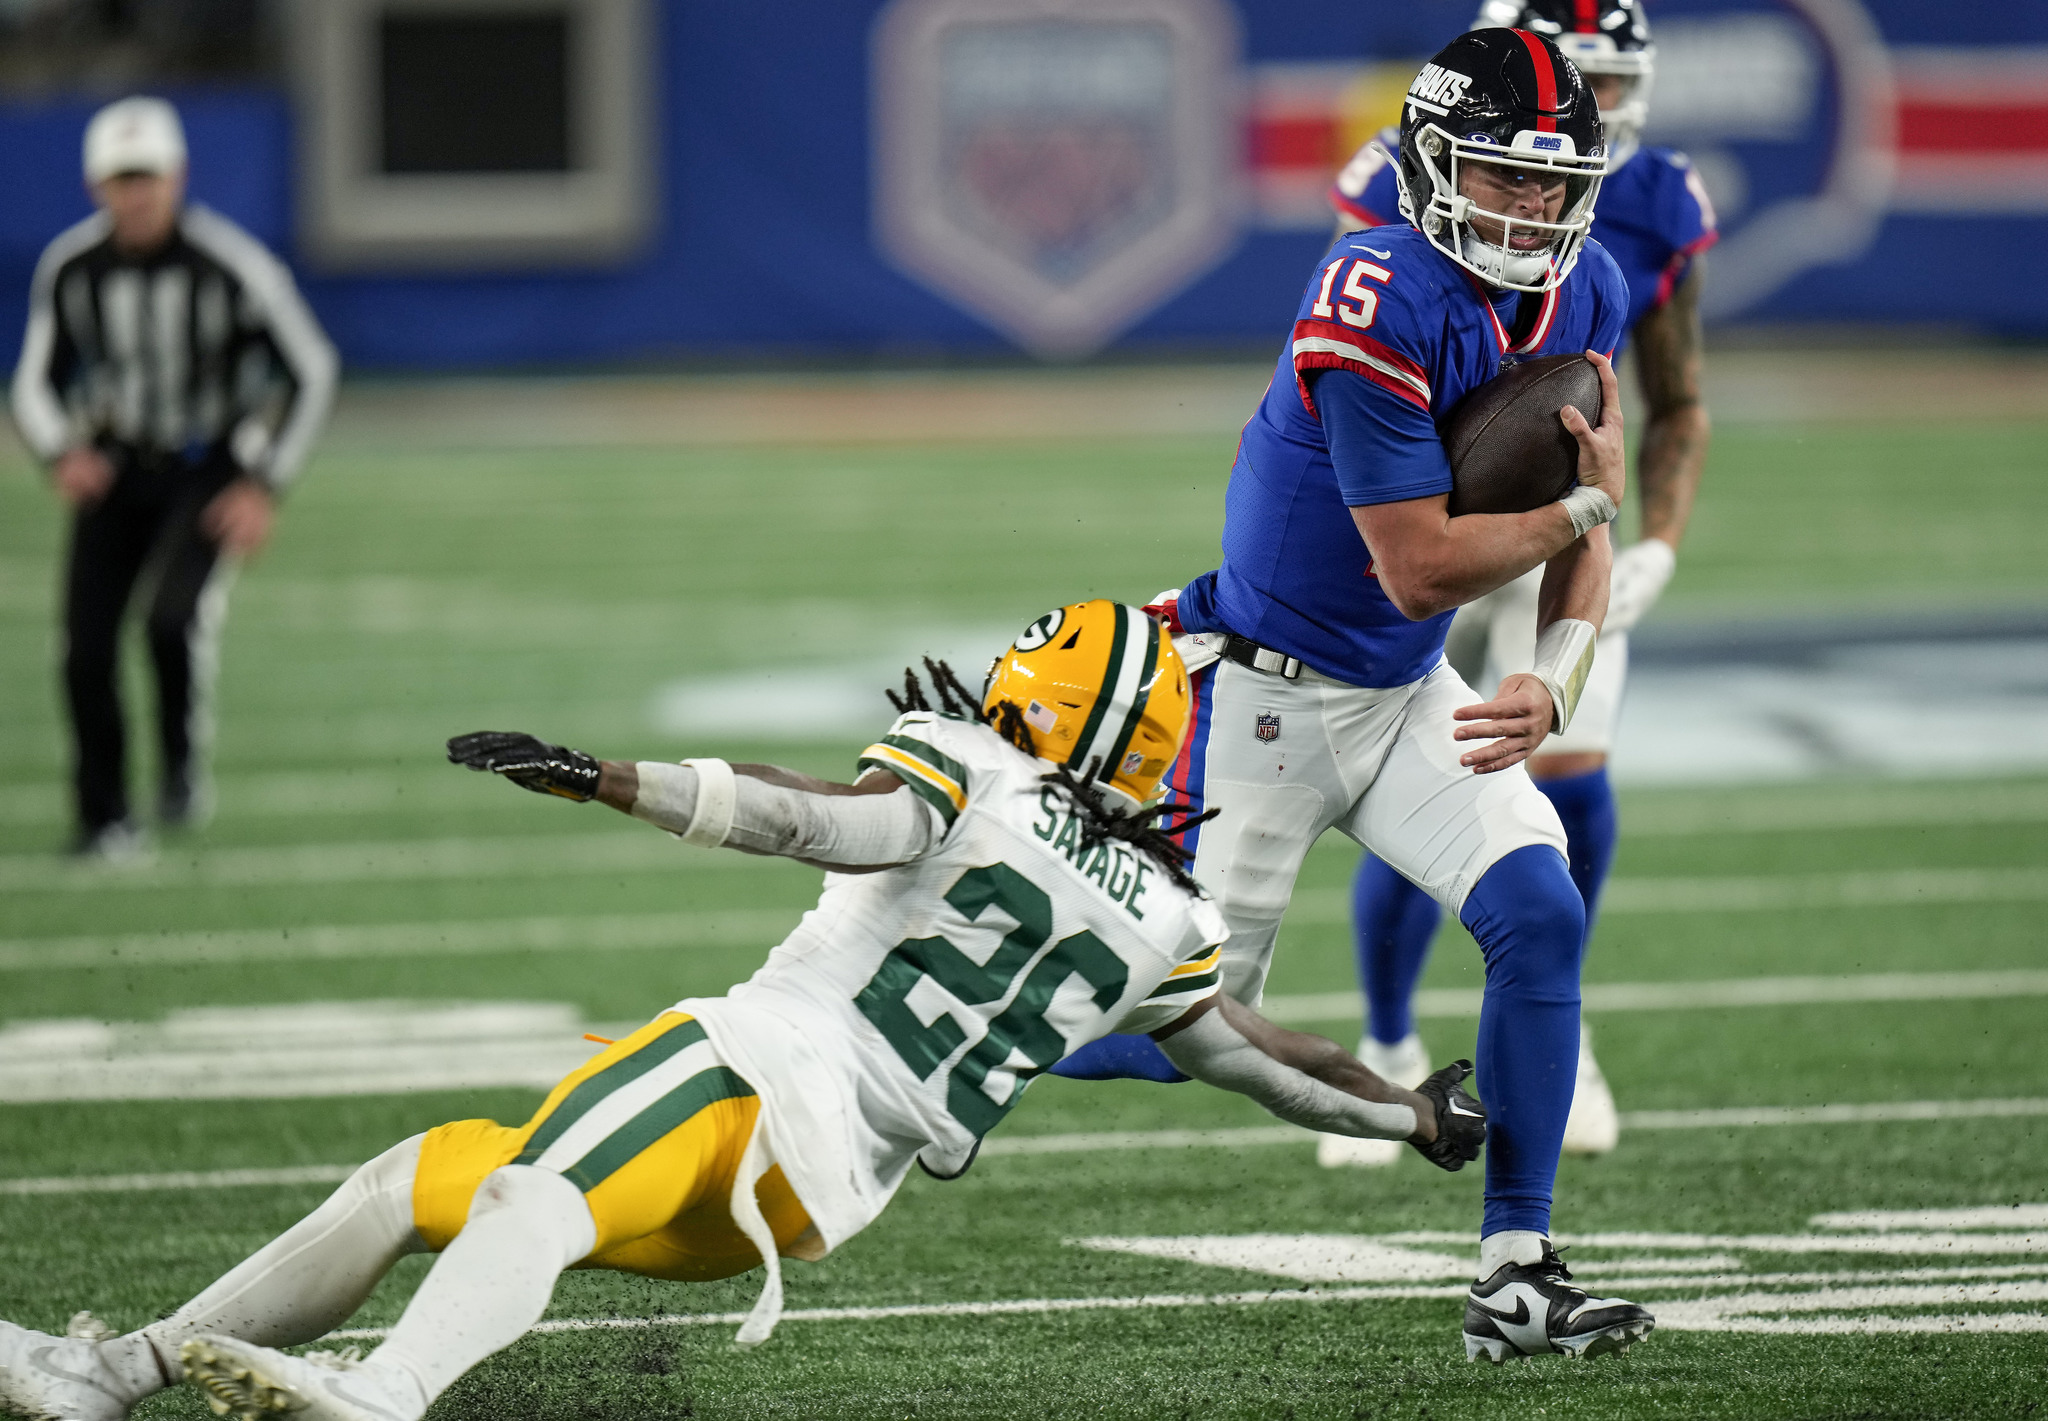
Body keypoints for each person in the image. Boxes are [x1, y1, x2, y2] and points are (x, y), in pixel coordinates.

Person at [0, 601, 1489, 1421]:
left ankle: (386, 1392)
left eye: (1019, 685)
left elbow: (810, 824)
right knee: (428, 1176)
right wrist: (1424, 1114)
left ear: (1057, 715)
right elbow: (1271, 1062)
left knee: (521, 1187)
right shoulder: (1171, 924)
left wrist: (610, 779)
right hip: (814, 1197)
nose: (992, 689)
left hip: (759, 1072)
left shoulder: (970, 776)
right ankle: (114, 1372)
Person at [1049, 28, 1658, 1361]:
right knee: (1178, 1026)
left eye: (1555, 184)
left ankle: (1517, 1268)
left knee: (1539, 917)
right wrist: (1582, 511)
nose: (1535, 208)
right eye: (1504, 178)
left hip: (1399, 695)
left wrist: (1554, 679)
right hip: (1259, 704)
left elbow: (1583, 524)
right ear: (1435, 166)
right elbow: (1418, 564)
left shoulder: (1588, 288)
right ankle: (955, 1036)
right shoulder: (1372, 288)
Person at [1325, 0, 1715, 1167]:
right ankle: (1384, 1037)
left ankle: (1562, 1018)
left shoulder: (1642, 210)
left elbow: (1671, 392)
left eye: (1603, 84)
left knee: (1571, 774)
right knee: (1409, 787)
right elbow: (1369, 360)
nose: (1549, 168)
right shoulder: (1393, 193)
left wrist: (1651, 537)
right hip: (1434, 519)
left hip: (1564, 527)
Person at [10, 95, 338, 858]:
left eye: (149, 176)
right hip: (119, 467)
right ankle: (104, 818)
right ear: (98, 186)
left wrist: (266, 483)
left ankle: (180, 766)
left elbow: (313, 367)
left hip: (207, 469)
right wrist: (63, 450)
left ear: (178, 176)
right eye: (123, 178)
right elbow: (33, 380)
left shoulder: (230, 265)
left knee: (169, 620)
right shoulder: (73, 267)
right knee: (83, 646)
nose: (138, 193)